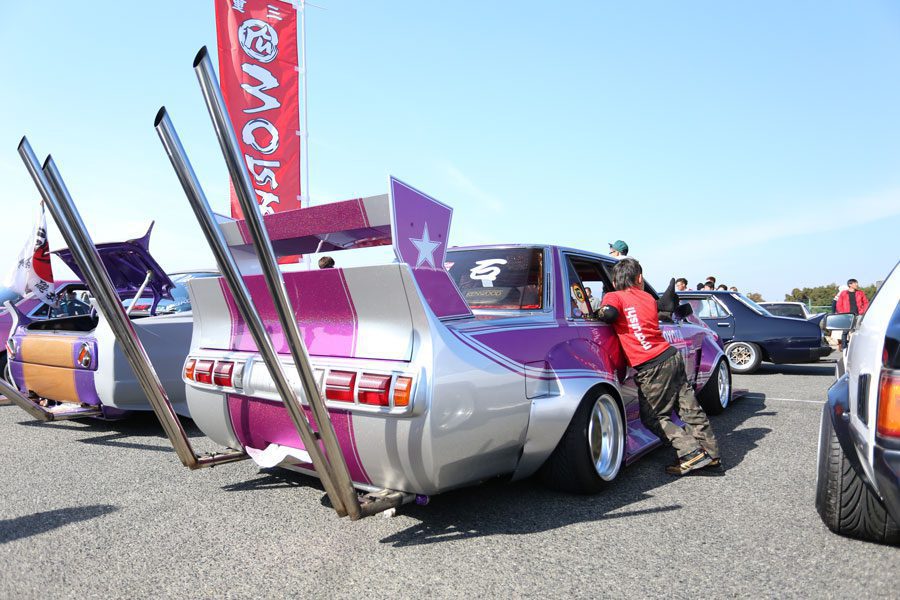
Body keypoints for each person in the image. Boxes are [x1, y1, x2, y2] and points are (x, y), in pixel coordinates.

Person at [597, 258, 720, 475]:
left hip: (651, 365)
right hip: (671, 356)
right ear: (640, 278)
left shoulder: (614, 296)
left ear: (615, 282)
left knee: (654, 417)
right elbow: (661, 312)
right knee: (689, 410)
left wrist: (598, 313)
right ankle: (711, 455)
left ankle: (691, 453)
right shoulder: (646, 297)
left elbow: (609, 314)